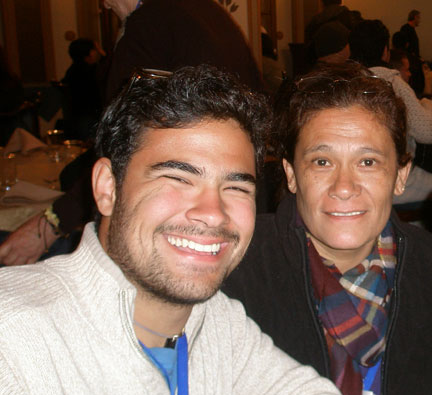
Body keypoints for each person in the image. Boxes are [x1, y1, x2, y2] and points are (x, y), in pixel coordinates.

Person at [0, 65, 361, 395]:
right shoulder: (13, 348)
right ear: (107, 189)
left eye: (236, 187)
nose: (213, 212)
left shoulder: (215, 324)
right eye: (176, 177)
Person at [219, 61, 432, 395]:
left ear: (400, 175)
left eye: (368, 162)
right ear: (291, 175)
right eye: (321, 162)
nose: (345, 186)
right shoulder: (237, 268)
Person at [0, 0, 266, 267]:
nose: (104, 6)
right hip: (240, 196)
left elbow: (122, 147)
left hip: (180, 205)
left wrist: (48, 226)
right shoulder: (209, 12)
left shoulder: (148, 23)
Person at [349, 19, 432, 204]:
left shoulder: (344, 81)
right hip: (392, 179)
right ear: (385, 51)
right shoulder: (392, 83)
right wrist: (428, 105)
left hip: (353, 175)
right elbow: (428, 132)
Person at [103, 0, 263, 102]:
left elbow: (121, 106)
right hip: (239, 137)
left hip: (193, 143)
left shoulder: (146, 20)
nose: (105, 5)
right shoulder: (212, 9)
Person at [61, 38, 104, 140]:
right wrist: (104, 54)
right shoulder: (90, 70)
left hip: (76, 114)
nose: (96, 52)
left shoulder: (72, 70)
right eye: (95, 49)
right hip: (88, 115)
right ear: (88, 53)